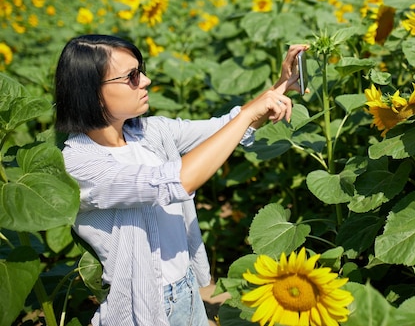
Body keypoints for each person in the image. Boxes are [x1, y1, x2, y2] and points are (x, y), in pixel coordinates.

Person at [54, 34, 305, 326]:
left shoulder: (149, 132)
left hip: (186, 289)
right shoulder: (81, 165)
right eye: (132, 76)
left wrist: (278, 88)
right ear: (91, 92)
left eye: (141, 71)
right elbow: (174, 182)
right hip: (142, 306)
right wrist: (248, 114)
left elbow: (223, 130)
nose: (145, 81)